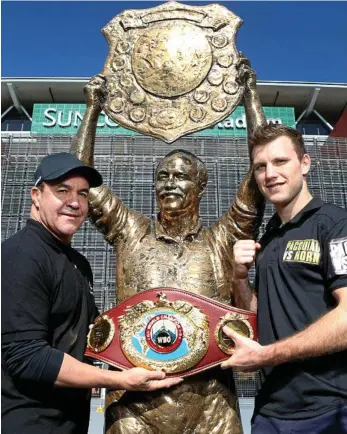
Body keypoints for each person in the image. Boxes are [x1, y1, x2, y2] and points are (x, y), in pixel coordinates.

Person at [70, 59, 267, 434]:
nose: (169, 183)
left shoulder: (222, 238)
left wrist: (250, 97)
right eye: (162, 176)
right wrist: (92, 109)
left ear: (200, 187)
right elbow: (83, 179)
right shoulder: (130, 231)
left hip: (211, 411)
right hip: (134, 411)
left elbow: (259, 177)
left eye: (181, 176)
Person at [1, 152, 183, 434]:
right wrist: (120, 380)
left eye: (82, 194)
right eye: (63, 191)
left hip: (71, 421)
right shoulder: (21, 255)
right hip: (27, 420)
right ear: (36, 195)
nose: (74, 202)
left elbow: (93, 334)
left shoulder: (77, 263)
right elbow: (28, 357)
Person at [221, 124, 347, 433]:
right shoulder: (269, 236)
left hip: (329, 407)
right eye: (261, 166)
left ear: (304, 163)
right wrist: (239, 277)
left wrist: (267, 355)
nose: (270, 174)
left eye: (280, 162)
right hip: (270, 408)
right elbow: (258, 312)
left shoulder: (334, 225)